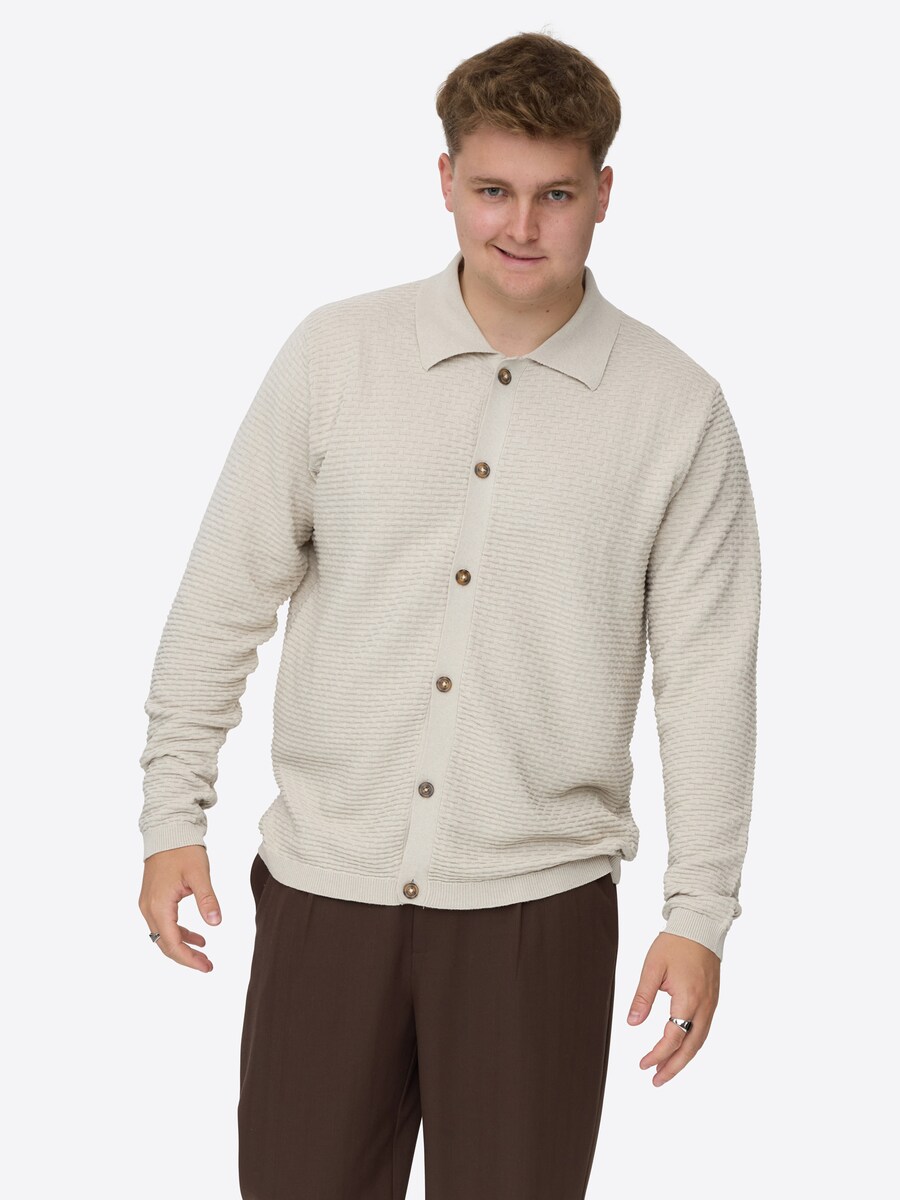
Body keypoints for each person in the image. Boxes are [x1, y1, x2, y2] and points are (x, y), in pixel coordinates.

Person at [137, 30, 761, 1200]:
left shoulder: (676, 411)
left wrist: (701, 913)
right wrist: (172, 811)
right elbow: (223, 595)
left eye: (554, 194)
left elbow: (709, 678)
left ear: (603, 194)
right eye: (491, 190)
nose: (519, 225)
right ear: (445, 182)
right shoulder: (337, 356)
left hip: (541, 914)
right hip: (326, 893)